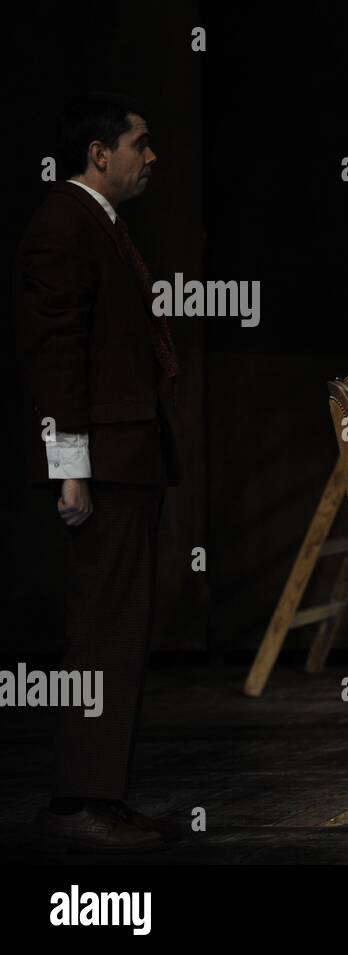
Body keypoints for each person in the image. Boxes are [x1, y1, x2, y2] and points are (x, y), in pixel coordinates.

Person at [18, 92, 180, 850]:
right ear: (99, 152)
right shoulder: (64, 222)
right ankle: (77, 799)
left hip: (128, 458)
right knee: (101, 630)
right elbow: (57, 356)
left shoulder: (102, 225)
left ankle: (100, 794)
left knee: (122, 630)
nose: (151, 157)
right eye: (140, 144)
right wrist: (69, 467)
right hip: (104, 463)